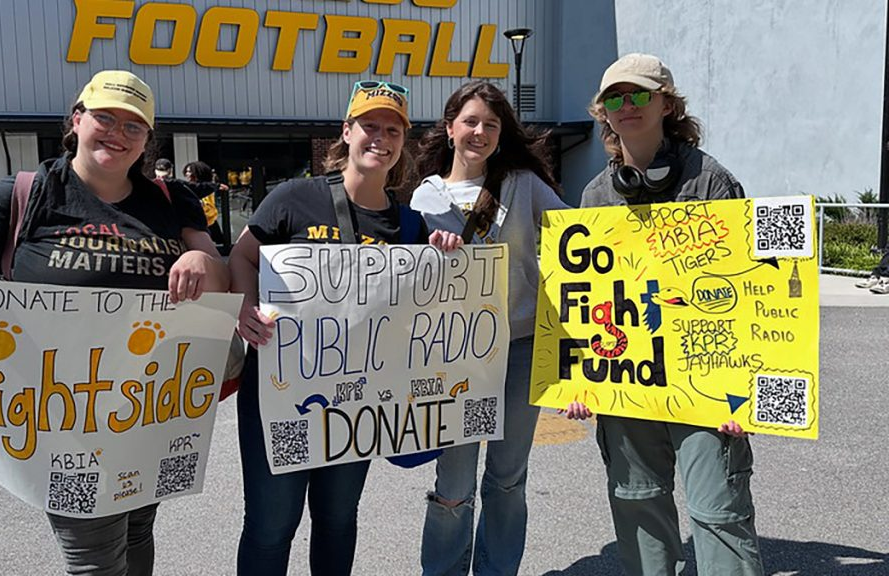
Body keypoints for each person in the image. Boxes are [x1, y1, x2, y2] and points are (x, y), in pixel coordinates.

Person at [0, 69, 230, 576]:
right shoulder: (28, 192)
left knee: (138, 529)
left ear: (146, 140)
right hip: (64, 414)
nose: (117, 133)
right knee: (93, 561)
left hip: (149, 408)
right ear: (77, 121)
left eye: (133, 126)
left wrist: (201, 263)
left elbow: (219, 275)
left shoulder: (170, 199)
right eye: (104, 118)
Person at [229, 80, 461, 576]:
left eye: (393, 129)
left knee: (337, 520)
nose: (381, 138)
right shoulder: (295, 196)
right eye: (370, 126)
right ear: (347, 131)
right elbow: (242, 255)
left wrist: (444, 257)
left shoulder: (411, 225)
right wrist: (245, 307)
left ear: (404, 142)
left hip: (357, 402)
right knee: (272, 525)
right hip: (279, 398)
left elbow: (426, 309)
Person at [568, 53, 764, 575]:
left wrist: (743, 391)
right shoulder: (595, 196)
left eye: (639, 95)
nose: (626, 106)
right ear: (602, 111)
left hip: (705, 380)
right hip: (628, 378)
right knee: (637, 499)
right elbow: (587, 298)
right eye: (615, 97)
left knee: (717, 509)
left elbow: (749, 292)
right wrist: (582, 380)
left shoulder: (712, 181)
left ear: (667, 103)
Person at [409, 80, 570, 576]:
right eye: (471, 121)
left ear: (502, 134)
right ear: (450, 126)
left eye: (492, 125)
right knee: (453, 484)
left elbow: (574, 235)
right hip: (454, 358)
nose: (480, 132)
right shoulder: (422, 197)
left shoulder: (522, 183)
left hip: (521, 347)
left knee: (507, 479)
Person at [183, 161, 227, 243]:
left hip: (206, 223)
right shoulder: (188, 186)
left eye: (189, 171)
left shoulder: (205, 188)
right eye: (186, 171)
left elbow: (209, 208)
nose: (187, 174)